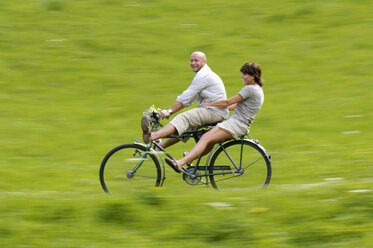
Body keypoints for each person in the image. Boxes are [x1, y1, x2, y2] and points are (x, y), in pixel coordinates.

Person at [165, 62, 265, 173]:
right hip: (239, 125)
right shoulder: (258, 90)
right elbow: (234, 106)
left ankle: (180, 163)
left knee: (205, 138)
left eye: (245, 74)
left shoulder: (249, 89)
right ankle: (190, 159)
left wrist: (208, 105)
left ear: (253, 76)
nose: (242, 76)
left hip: (236, 125)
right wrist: (220, 109)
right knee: (210, 141)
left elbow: (227, 102)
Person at [141, 51, 229, 150]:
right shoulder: (203, 74)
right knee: (184, 128)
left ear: (204, 62)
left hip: (214, 111)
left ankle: (152, 136)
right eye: (191, 60)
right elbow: (189, 99)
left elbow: (186, 97)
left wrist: (169, 111)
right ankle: (161, 147)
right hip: (215, 111)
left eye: (196, 60)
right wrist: (170, 111)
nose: (193, 63)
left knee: (183, 118)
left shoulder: (203, 76)